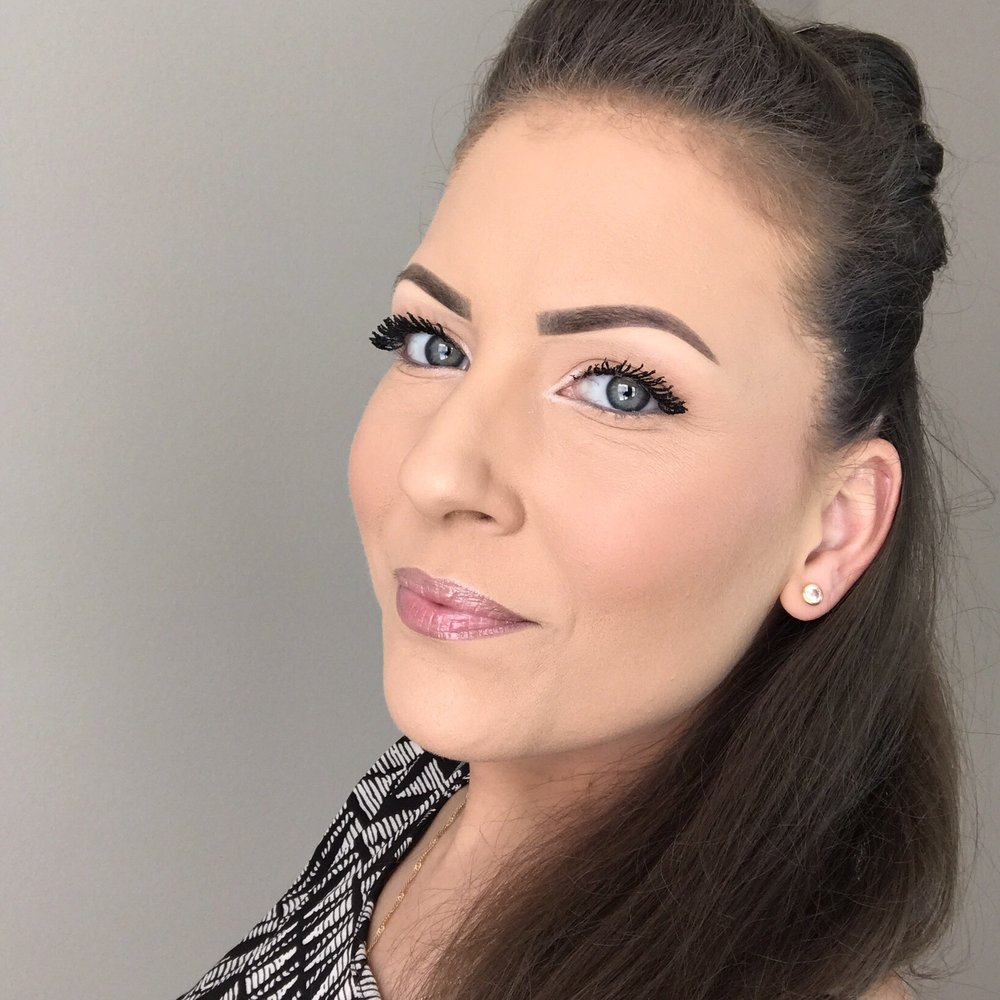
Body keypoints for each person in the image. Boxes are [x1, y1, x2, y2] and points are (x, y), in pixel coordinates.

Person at [174, 1, 963, 998]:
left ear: (833, 530)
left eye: (621, 388)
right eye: (433, 342)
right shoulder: (427, 785)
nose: (439, 472)